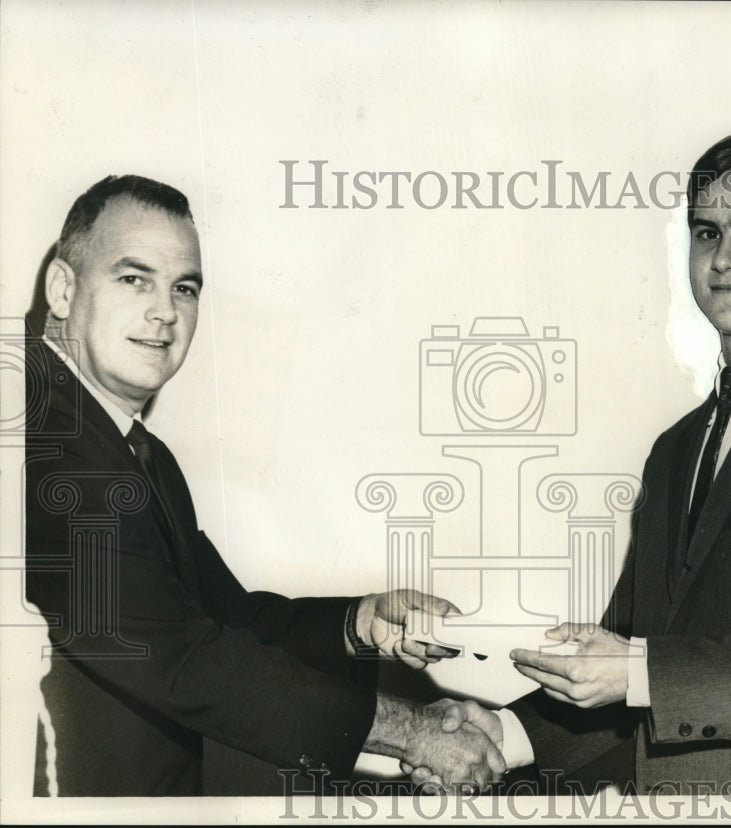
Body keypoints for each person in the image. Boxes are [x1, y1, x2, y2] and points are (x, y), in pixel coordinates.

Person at [419, 129, 731, 795]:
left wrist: (636, 670)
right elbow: (630, 663)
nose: (724, 257)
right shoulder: (677, 449)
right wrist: (504, 737)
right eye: (706, 233)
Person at [23, 175, 504, 796]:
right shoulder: (44, 443)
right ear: (63, 288)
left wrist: (360, 623)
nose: (165, 311)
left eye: (184, 288)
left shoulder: (132, 449)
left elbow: (225, 618)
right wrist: (411, 731)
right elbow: (182, 659)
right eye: (133, 278)